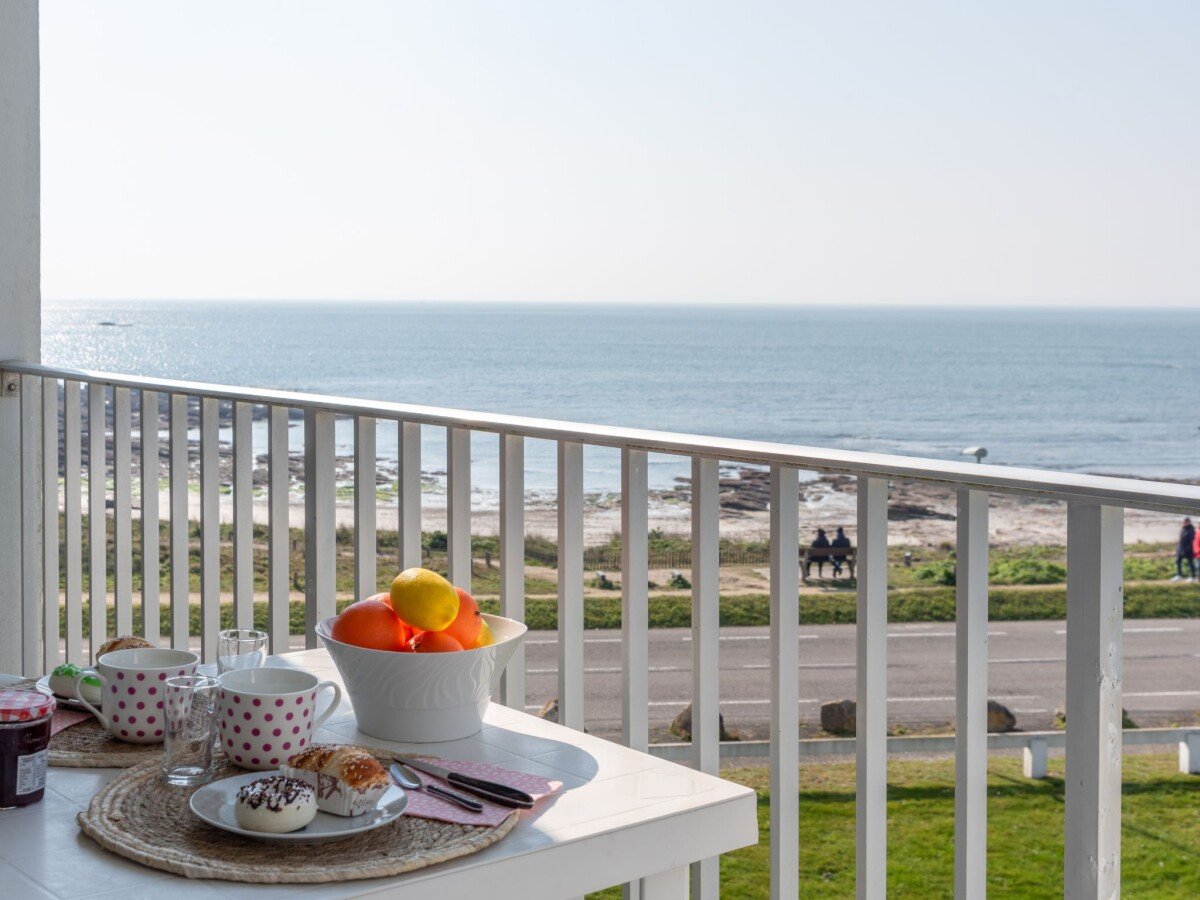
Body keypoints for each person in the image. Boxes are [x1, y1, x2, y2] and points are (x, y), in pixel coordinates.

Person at [1173, 518, 1196, 582]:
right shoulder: (1183, 529)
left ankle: (1193, 577)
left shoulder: (1191, 530)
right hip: (1180, 549)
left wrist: (1187, 549)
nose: (1183, 523)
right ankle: (1179, 575)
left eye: (1185, 522)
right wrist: (1178, 547)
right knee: (1178, 561)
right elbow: (1181, 539)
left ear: (1188, 522)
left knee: (1190, 562)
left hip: (1188, 550)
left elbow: (1192, 541)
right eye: (1183, 522)